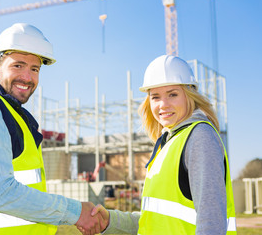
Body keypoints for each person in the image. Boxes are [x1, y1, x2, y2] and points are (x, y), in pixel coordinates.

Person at [0, 23, 106, 235]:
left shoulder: (11, 114)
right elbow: (1, 193)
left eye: (34, 69)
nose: (27, 78)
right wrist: (77, 212)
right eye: (18, 66)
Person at [89, 55, 237, 235]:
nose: (163, 105)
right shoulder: (168, 143)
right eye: (155, 97)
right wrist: (111, 221)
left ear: (189, 95)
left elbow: (211, 221)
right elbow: (153, 221)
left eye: (173, 94)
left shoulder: (200, 137)